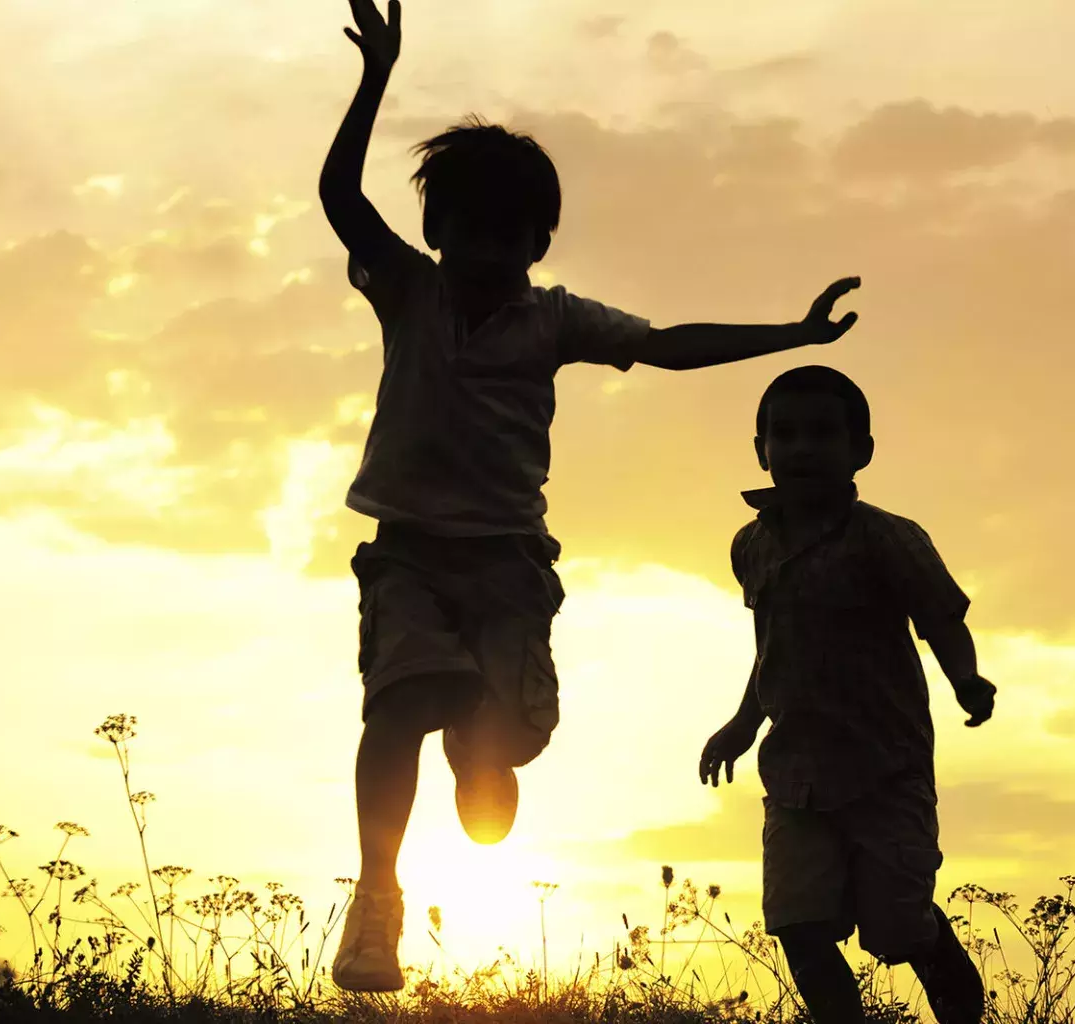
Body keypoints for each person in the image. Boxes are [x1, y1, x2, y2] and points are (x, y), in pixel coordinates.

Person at [322, 0, 864, 993]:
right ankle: (378, 897)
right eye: (470, 232)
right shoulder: (408, 289)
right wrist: (375, 81)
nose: (488, 253)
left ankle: (480, 747)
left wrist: (793, 335)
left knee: (505, 740)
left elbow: (668, 344)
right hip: (405, 552)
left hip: (507, 567)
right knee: (397, 701)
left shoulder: (554, 320)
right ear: (440, 232)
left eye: (511, 236)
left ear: (538, 241)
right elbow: (341, 197)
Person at [700, 366, 993, 1024]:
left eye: (824, 434)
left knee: (901, 929)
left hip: (885, 768)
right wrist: (742, 725)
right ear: (761, 450)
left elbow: (942, 619)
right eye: (786, 434)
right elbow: (769, 648)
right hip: (796, 774)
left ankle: (957, 998)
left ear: (861, 450)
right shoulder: (752, 546)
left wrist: (966, 680)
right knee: (799, 924)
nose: (803, 448)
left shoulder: (887, 538)